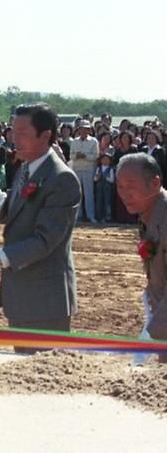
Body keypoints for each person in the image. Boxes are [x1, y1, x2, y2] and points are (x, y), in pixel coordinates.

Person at [0, 103, 80, 338]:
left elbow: (45, 240)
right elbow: (21, 207)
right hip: (21, 296)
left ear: (46, 135)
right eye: (13, 132)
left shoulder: (61, 179)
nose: (14, 140)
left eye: (22, 134)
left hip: (45, 301)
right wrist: (0, 201)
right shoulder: (26, 167)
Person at [116, 153, 167, 363]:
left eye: (130, 186)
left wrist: (152, 332)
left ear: (155, 184)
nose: (124, 194)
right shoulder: (150, 213)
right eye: (119, 186)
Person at [70, 120, 99, 223]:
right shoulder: (74, 141)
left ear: (89, 130)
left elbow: (95, 156)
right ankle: (78, 215)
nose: (83, 131)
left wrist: (85, 156)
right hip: (77, 169)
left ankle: (90, 215)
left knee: (89, 194)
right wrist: (77, 156)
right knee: (78, 194)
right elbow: (71, 156)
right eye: (82, 129)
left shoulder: (94, 141)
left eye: (86, 129)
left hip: (88, 170)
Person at [94, 153, 115, 223]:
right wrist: (97, 177)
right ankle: (99, 217)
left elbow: (112, 180)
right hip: (99, 187)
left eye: (107, 159)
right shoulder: (98, 168)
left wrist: (106, 178)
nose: (105, 161)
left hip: (107, 188)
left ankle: (107, 217)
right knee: (99, 202)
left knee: (107, 202)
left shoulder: (110, 169)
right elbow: (95, 179)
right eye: (103, 159)